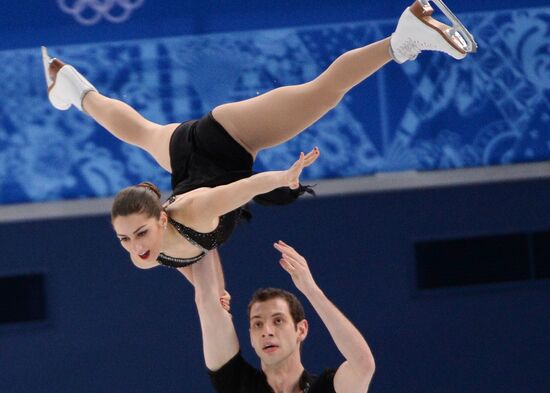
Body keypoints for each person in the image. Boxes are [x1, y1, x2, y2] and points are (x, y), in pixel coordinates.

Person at [42, 1, 476, 270]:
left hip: (224, 140)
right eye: (127, 238)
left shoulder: (193, 210)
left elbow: (243, 188)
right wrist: (212, 297)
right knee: (140, 131)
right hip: (182, 156)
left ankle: (404, 37)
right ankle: (73, 88)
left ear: (161, 218)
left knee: (322, 94)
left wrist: (283, 179)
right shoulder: (156, 253)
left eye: (136, 234)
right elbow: (197, 268)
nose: (134, 247)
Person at [192, 241, 375, 393]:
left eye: (278, 320)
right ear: (251, 338)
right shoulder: (237, 384)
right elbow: (207, 299)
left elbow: (363, 365)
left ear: (301, 329)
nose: (267, 331)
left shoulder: (325, 388)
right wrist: (206, 222)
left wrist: (311, 291)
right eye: (257, 324)